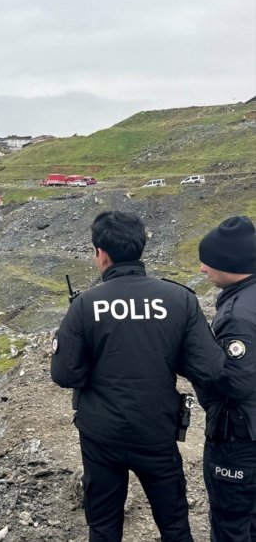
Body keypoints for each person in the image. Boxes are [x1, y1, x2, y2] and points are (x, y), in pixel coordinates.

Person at [51, 210, 225, 542]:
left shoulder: (85, 305)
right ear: (141, 246)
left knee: (103, 527)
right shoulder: (180, 299)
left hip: (101, 436)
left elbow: (64, 373)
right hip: (157, 431)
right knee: (175, 526)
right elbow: (211, 368)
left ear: (101, 253)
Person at [195, 215, 256, 541]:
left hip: (239, 439)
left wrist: (196, 362)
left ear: (230, 264)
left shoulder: (236, 317)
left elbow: (235, 382)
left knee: (232, 525)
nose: (203, 269)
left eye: (209, 262)